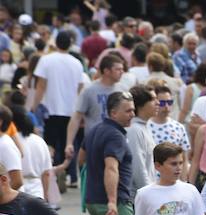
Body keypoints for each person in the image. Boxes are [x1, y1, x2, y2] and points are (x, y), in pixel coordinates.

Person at [81, 91, 136, 215]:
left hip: (93, 202)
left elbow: (81, 159)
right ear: (113, 113)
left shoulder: (94, 130)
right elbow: (111, 168)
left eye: (133, 110)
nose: (132, 114)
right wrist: (112, 201)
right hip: (114, 203)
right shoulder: (115, 136)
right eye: (127, 111)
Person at [29, 31, 84, 176]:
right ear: (70, 44)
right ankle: (71, 176)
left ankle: (51, 174)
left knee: (51, 145)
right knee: (69, 143)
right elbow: (80, 88)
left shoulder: (46, 60)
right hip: (71, 110)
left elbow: (41, 86)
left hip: (51, 108)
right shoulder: (77, 63)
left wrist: (34, 106)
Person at [65, 53, 127, 161]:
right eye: (118, 69)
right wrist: (69, 143)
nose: (122, 72)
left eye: (122, 69)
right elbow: (77, 117)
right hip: (95, 142)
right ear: (107, 71)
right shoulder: (90, 90)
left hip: (117, 141)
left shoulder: (123, 90)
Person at [148, 85, 191, 178]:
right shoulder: (146, 126)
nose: (166, 107)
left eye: (169, 102)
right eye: (162, 103)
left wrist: (183, 182)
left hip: (174, 182)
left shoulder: (179, 127)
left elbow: (184, 158)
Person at [12, 107, 52, 201]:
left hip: (17, 191)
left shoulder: (11, 140)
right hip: (37, 190)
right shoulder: (40, 141)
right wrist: (46, 195)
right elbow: (46, 173)